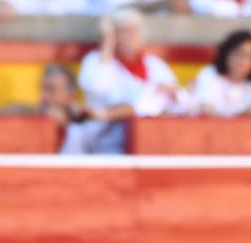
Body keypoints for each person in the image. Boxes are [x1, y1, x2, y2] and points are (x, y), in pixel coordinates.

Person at [76, 8, 184, 153]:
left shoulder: (156, 65)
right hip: (105, 141)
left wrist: (172, 93)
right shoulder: (96, 60)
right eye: (124, 31)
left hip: (152, 140)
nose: (130, 36)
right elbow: (96, 87)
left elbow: (180, 103)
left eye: (134, 31)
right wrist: (107, 45)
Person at [191, 29, 251, 118]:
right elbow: (206, 110)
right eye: (239, 54)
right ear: (226, 53)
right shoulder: (210, 74)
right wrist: (244, 113)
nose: (244, 61)